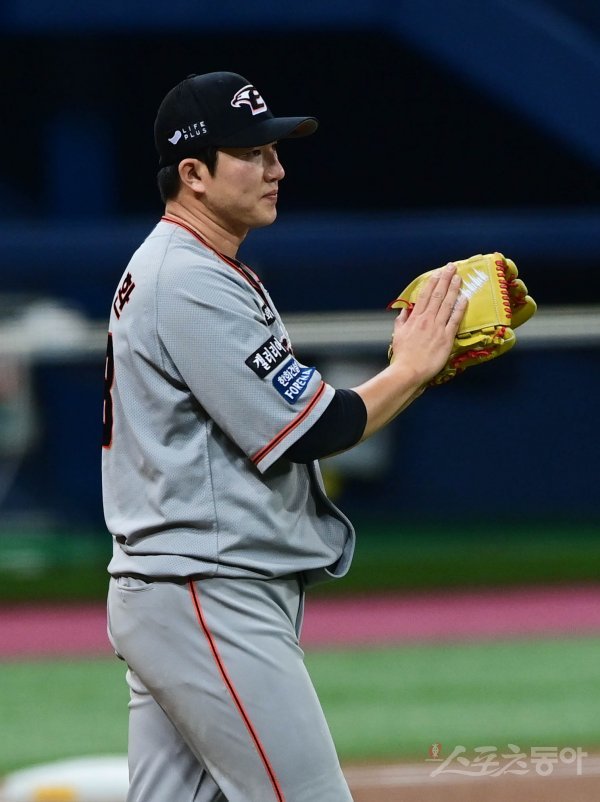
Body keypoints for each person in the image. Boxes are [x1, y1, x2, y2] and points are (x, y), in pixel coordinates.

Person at [103, 71, 466, 802]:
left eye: (274, 150)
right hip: (207, 591)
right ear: (193, 174)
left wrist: (413, 372)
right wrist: (413, 368)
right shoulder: (187, 278)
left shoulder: (195, 265)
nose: (276, 168)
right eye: (253, 153)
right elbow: (318, 427)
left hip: (182, 590)